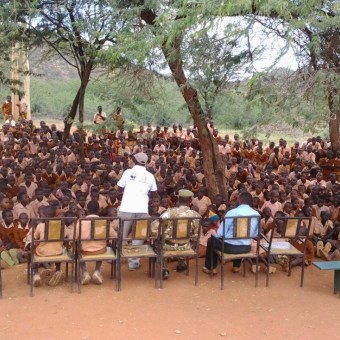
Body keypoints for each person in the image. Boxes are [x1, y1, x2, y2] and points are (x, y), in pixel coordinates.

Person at [117, 152, 158, 270]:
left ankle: (118, 258)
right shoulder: (150, 176)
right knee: (138, 237)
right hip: (142, 209)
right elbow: (154, 193)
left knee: (122, 235)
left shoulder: (128, 172)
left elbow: (119, 188)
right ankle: (133, 263)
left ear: (134, 160)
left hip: (126, 208)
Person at [203, 191, 260, 274]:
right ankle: (236, 266)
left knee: (211, 240)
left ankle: (210, 268)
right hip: (246, 247)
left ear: (239, 201)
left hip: (229, 248)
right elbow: (255, 234)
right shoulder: (256, 214)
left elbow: (220, 234)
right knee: (240, 238)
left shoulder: (231, 213)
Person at [155, 189, 201, 279]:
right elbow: (196, 235)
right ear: (191, 201)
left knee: (159, 242)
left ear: (179, 199)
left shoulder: (170, 212)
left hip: (168, 245)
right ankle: (182, 263)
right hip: (186, 246)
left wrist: (162, 233)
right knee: (184, 240)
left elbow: (156, 226)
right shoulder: (195, 215)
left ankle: (164, 269)